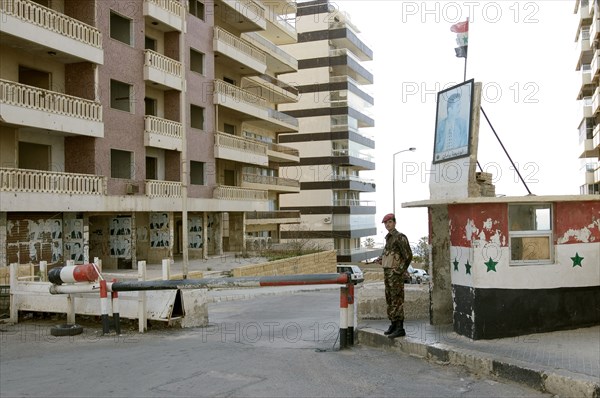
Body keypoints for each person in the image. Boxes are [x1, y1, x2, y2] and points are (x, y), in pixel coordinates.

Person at [376, 213, 413, 339]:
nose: (387, 225)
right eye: (386, 223)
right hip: (388, 275)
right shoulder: (389, 238)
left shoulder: (400, 237)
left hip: (395, 276)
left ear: (394, 223)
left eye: (390, 222)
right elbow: (390, 254)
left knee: (397, 300)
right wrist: (381, 259)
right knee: (390, 299)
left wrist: (399, 270)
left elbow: (408, 256)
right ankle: (393, 324)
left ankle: (399, 327)